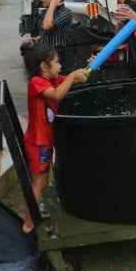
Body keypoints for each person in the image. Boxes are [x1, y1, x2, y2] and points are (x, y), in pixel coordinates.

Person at [21, 43, 89, 234]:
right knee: (39, 183)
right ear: (44, 66)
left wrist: (88, 68)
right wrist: (73, 76)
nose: (60, 66)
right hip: (37, 143)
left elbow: (72, 81)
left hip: (44, 141)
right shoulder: (37, 82)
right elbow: (58, 95)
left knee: (40, 182)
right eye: (57, 62)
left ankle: (33, 214)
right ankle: (29, 223)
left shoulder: (50, 80)